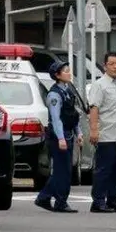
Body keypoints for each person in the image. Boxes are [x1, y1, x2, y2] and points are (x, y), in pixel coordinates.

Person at [35, 61, 83, 213]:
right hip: (58, 137)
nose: (69, 73)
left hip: (68, 134)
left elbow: (72, 115)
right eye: (66, 71)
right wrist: (61, 138)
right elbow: (56, 119)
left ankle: (51, 198)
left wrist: (79, 132)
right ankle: (54, 199)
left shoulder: (68, 91)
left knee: (66, 170)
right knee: (62, 171)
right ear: (57, 75)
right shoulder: (54, 94)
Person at [88, 51, 116, 213]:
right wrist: (94, 130)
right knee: (104, 169)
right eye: (111, 64)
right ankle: (98, 201)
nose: (115, 67)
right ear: (105, 66)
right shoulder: (100, 85)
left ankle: (114, 200)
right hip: (107, 134)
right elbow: (94, 108)